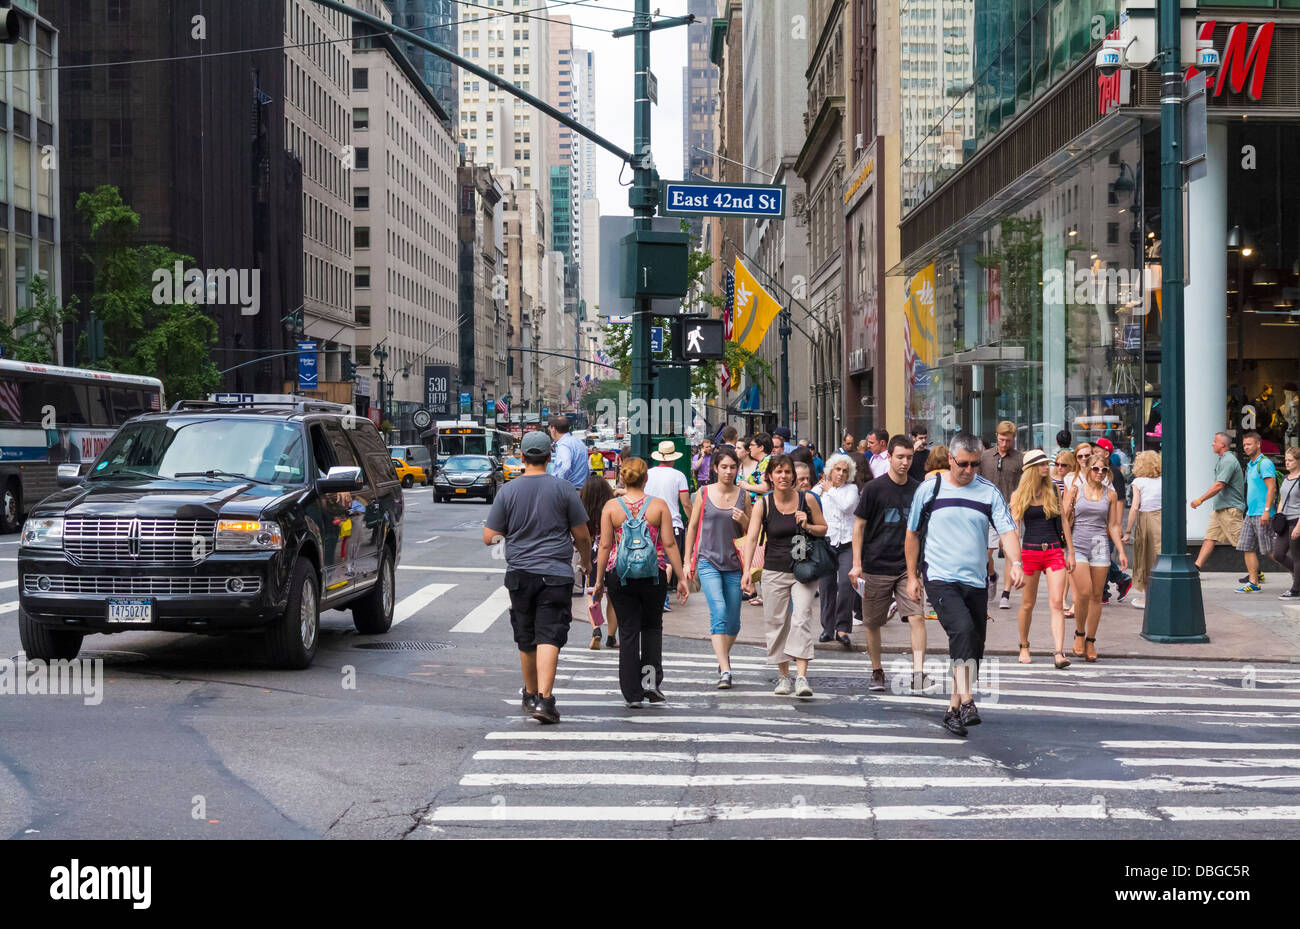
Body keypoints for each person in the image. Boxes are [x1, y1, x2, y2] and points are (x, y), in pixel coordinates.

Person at [906, 433, 1023, 737]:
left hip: (975, 581)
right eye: (963, 464)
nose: (969, 470)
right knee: (962, 630)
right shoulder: (929, 489)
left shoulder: (988, 492)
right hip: (940, 577)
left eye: (974, 465)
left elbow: (1008, 530)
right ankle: (969, 701)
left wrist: (1017, 562)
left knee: (975, 647)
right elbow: (912, 534)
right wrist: (911, 576)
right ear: (950, 460)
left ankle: (952, 710)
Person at [484, 430, 593, 726]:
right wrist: (586, 562)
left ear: (522, 458)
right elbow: (582, 535)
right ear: (549, 457)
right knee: (549, 634)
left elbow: (489, 536)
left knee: (526, 634)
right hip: (556, 574)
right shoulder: (564, 489)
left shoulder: (508, 490)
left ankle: (530, 695)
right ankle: (545, 700)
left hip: (520, 574)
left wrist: (512, 535)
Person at [591, 458, 690, 708]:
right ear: (646, 478)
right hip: (653, 573)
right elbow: (669, 544)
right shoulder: (658, 506)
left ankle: (632, 693)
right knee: (652, 628)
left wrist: (599, 579)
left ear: (623, 479)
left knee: (628, 630)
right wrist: (681, 577)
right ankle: (650, 684)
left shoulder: (611, 507)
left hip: (619, 573)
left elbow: (605, 545)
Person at [740, 455, 829, 698]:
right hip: (773, 569)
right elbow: (751, 537)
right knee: (776, 622)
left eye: (787, 472)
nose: (783, 476)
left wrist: (808, 525)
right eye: (778, 472)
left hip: (804, 570)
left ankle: (801, 677)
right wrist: (747, 570)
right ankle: (783, 676)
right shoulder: (764, 504)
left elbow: (823, 528)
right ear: (769, 476)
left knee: (801, 618)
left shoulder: (807, 498)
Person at [851, 437, 931, 691]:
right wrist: (857, 563)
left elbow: (922, 530)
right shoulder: (874, 489)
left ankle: (918, 672)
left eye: (909, 457)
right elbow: (859, 526)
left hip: (906, 568)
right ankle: (877, 670)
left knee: (917, 616)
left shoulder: (918, 489)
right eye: (900, 457)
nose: (905, 462)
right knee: (873, 623)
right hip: (875, 565)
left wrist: (919, 569)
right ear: (890, 457)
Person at [684, 446, 751, 688]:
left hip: (734, 563)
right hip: (707, 560)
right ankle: (725, 668)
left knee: (734, 622)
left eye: (733, 467)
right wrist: (686, 560)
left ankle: (722, 655)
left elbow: (753, 531)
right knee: (719, 611)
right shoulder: (703, 492)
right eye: (724, 467)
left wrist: (744, 520)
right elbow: (692, 527)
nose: (728, 471)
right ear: (715, 468)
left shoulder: (744, 495)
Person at [1010, 450, 1073, 669]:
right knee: (1028, 604)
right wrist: (1015, 563)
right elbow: (1014, 531)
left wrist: (1070, 552)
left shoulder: (1054, 489)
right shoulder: (1018, 496)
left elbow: (1064, 521)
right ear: (1032, 469)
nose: (1048, 467)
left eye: (1048, 463)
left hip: (1054, 550)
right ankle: (1024, 644)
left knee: (1057, 603)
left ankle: (1058, 652)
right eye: (1043, 464)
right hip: (1030, 552)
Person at [1066, 451, 1128, 662]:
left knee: (1096, 596)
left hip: (1100, 544)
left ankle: (1090, 640)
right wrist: (1069, 551)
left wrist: (1120, 550)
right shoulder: (1076, 490)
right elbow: (1065, 519)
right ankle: (1079, 633)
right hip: (1079, 543)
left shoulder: (1109, 495)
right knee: (1082, 593)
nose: (1100, 473)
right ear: (1088, 470)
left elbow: (1112, 525)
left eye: (1103, 469)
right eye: (1095, 469)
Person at [816, 453, 860, 648]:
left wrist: (830, 490)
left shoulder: (852, 489)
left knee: (845, 583)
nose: (841, 474)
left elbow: (847, 507)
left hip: (847, 542)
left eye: (844, 470)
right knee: (826, 587)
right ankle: (827, 627)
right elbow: (809, 502)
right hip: (826, 542)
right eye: (837, 469)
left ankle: (842, 627)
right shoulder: (819, 489)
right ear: (830, 471)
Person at [980, 421, 1024, 611]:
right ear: (996, 436)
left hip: (1009, 509)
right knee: (985, 552)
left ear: (1013, 439)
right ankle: (991, 575)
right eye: (1001, 439)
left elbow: (1023, 486)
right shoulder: (985, 457)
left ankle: (1006, 593)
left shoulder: (1019, 459)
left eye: (1008, 440)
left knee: (1009, 551)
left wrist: (1019, 507)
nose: (1004, 444)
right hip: (988, 508)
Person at [645, 440, 693, 612]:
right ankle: (662, 597)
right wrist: (693, 520)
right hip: (673, 523)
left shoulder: (648, 474)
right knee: (668, 561)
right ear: (673, 457)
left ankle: (652, 595)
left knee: (652, 559)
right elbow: (686, 503)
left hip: (649, 522)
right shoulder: (678, 476)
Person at [1191, 431, 1247, 574]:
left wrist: (1200, 500)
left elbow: (1219, 485)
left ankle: (1258, 571)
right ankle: (1196, 567)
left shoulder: (1228, 460)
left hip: (1230, 510)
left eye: (1215, 441)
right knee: (1210, 538)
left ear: (1222, 444)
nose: (1212, 443)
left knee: (1245, 543)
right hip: (1221, 509)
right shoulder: (1223, 459)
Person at [1234, 430, 1278, 593]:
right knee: (1247, 547)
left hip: (1262, 514)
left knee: (1270, 551)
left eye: (1249, 444)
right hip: (1250, 513)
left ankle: (1296, 573)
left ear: (1258, 444)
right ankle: (1253, 582)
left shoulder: (1264, 463)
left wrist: (1267, 511)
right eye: (1244, 444)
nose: (1246, 447)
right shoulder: (1251, 465)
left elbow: (1271, 488)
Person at [580, 473, 619, 649]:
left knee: (593, 596)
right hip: (612, 555)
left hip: (592, 556)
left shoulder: (583, 510)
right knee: (612, 599)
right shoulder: (612, 507)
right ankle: (611, 637)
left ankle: (596, 629)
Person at [1094, 436, 1133, 604]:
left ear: (1107, 453)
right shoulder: (1096, 470)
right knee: (1101, 557)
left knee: (1101, 557)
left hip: (1107, 525)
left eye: (1098, 450)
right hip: (1098, 522)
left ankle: (1104, 592)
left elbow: (1119, 500)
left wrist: (1116, 526)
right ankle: (1119, 581)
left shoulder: (1113, 472)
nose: (1094, 452)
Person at [1123, 451, 1162, 609]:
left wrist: (1127, 531)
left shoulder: (1138, 482)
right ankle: (1162, 595)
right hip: (1162, 518)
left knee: (1145, 557)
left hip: (1146, 520)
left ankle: (1147, 598)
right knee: (1159, 557)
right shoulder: (1163, 480)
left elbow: (1134, 507)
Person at [1274, 447, 1300, 600]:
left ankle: (1296, 589)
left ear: (1298, 461)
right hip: (1285, 521)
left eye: (1290, 460)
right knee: (1278, 553)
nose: (1287, 463)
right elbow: (1282, 500)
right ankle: (1299, 578)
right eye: (1286, 460)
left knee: (1297, 556)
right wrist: (1278, 519)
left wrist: (1298, 526)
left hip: (1297, 521)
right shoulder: (1285, 478)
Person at [546, 415, 589, 490]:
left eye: (549, 429)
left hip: (568, 491)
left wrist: (557, 486)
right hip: (581, 490)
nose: (550, 431)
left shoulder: (563, 445)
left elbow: (565, 467)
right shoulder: (578, 442)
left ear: (553, 429)